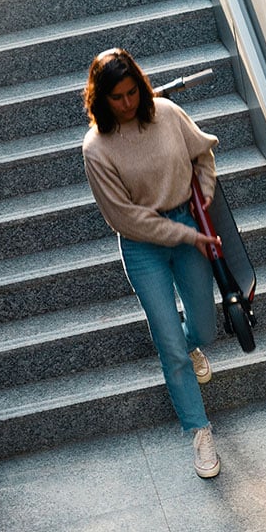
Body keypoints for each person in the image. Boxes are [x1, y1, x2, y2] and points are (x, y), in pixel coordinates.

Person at [82, 48, 223, 478]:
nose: (127, 104)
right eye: (117, 97)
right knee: (169, 344)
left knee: (204, 328)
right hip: (143, 245)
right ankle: (200, 432)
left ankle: (188, 344)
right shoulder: (97, 149)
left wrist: (203, 203)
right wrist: (186, 234)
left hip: (188, 227)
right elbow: (126, 217)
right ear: (100, 99)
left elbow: (203, 154)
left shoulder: (166, 112)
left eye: (131, 93)